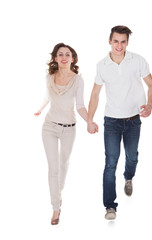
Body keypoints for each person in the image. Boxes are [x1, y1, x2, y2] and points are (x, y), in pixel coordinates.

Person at [87, 26, 152, 220]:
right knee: (110, 162)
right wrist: (90, 119)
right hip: (111, 121)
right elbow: (94, 94)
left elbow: (151, 85)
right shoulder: (102, 65)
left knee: (132, 157)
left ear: (127, 42)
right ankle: (110, 207)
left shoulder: (138, 60)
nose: (119, 45)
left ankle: (128, 177)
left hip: (134, 119)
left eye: (123, 41)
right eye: (116, 41)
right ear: (110, 41)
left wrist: (150, 104)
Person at [34, 43, 88, 225]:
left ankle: (59, 191)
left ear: (72, 59)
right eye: (60, 54)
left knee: (63, 164)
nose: (64, 57)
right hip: (49, 126)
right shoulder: (49, 77)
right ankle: (55, 207)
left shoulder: (78, 80)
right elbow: (48, 97)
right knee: (53, 167)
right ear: (55, 58)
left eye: (67, 54)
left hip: (69, 128)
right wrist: (39, 109)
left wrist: (89, 121)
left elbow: (80, 105)